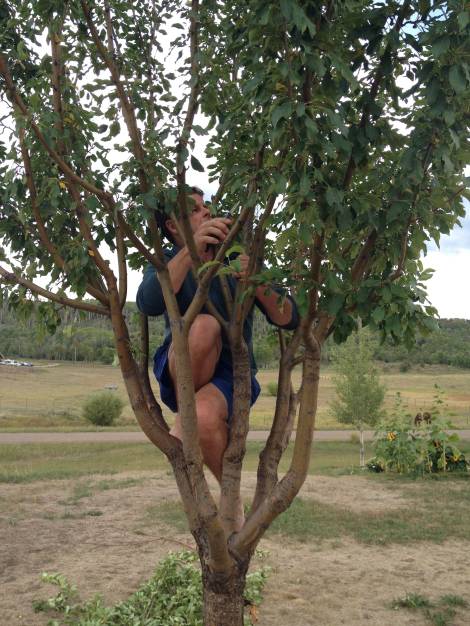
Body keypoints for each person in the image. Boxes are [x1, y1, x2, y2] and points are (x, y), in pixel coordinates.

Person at [136, 187, 298, 527]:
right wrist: (191, 249)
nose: (207, 213)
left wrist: (257, 281)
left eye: (207, 207)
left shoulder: (237, 257)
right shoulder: (168, 260)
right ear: (173, 226)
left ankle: (230, 500)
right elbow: (148, 302)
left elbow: (290, 317)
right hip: (182, 366)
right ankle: (188, 416)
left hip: (231, 378)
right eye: (195, 210)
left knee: (203, 417)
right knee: (205, 325)